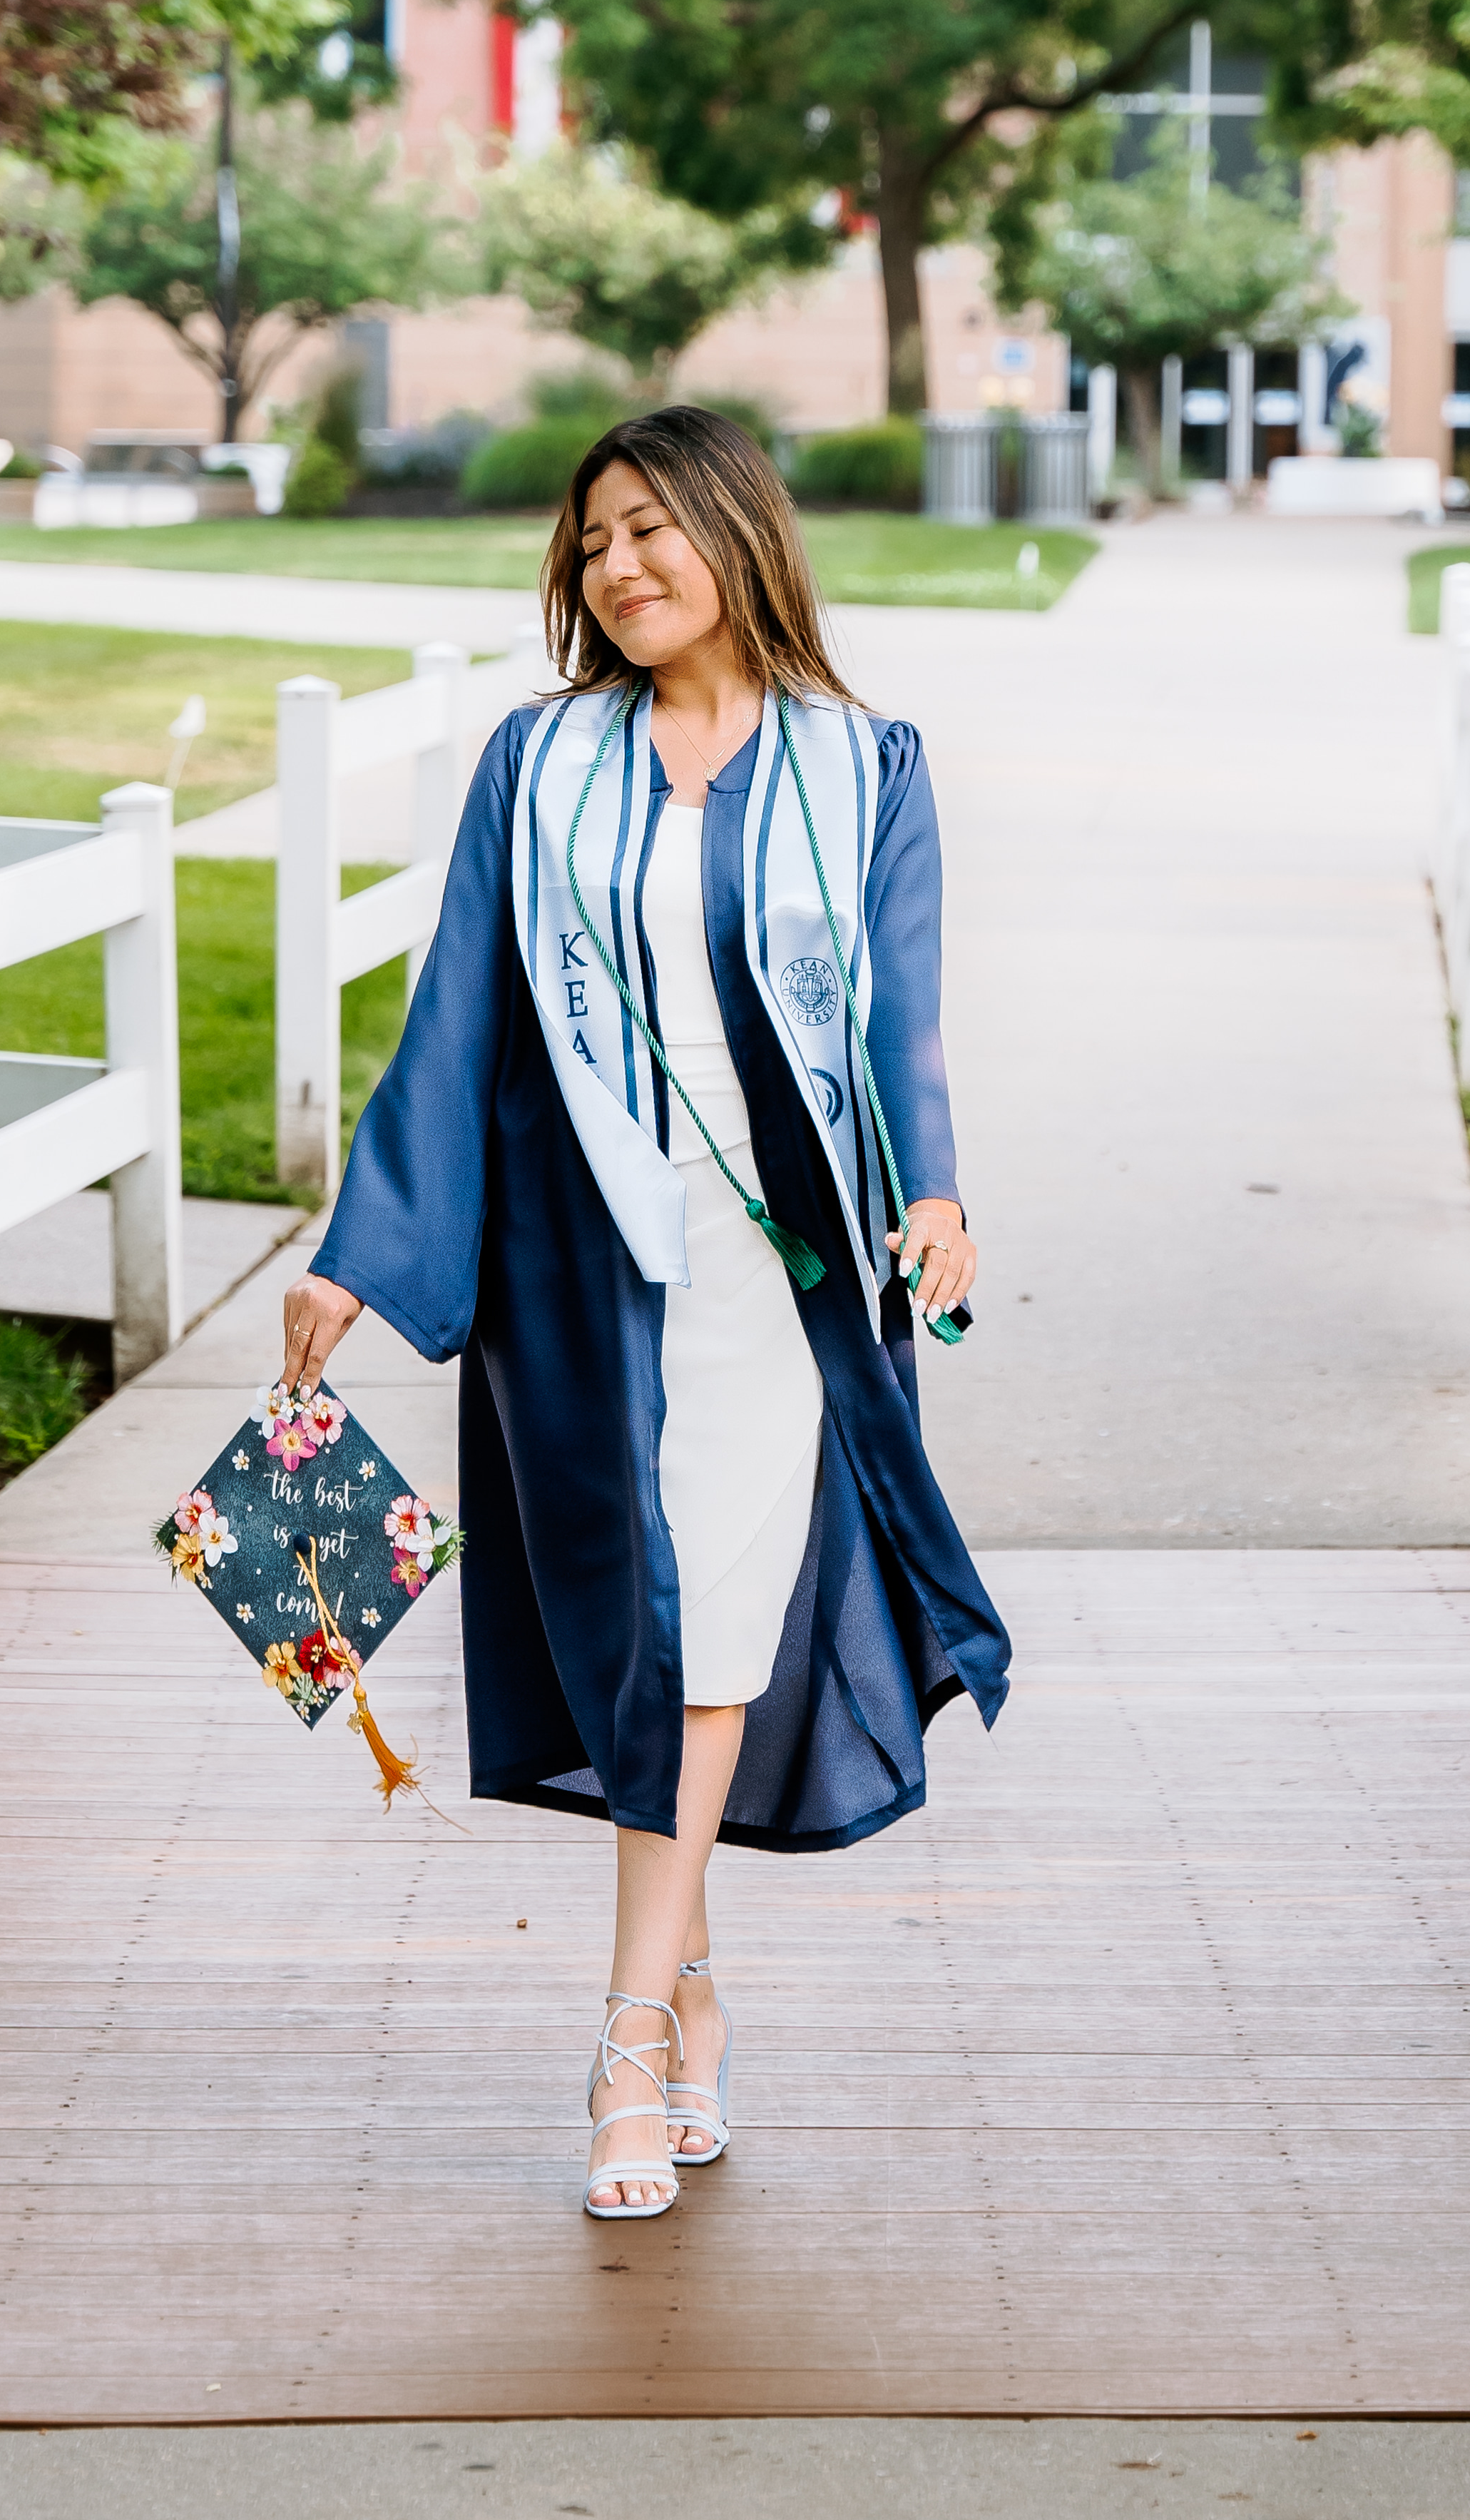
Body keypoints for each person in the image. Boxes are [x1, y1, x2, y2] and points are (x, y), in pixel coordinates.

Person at [280, 403, 1009, 2221]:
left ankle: (619, 2035)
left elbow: (896, 1017)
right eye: (590, 539)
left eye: (646, 530)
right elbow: (458, 1005)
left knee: (714, 1615)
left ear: (734, 533)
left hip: (787, 1263)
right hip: (587, 1251)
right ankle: (684, 1980)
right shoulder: (540, 763)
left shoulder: (866, 765)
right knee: (646, 1618)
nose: (615, 565)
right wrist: (361, 1249)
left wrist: (931, 1190)